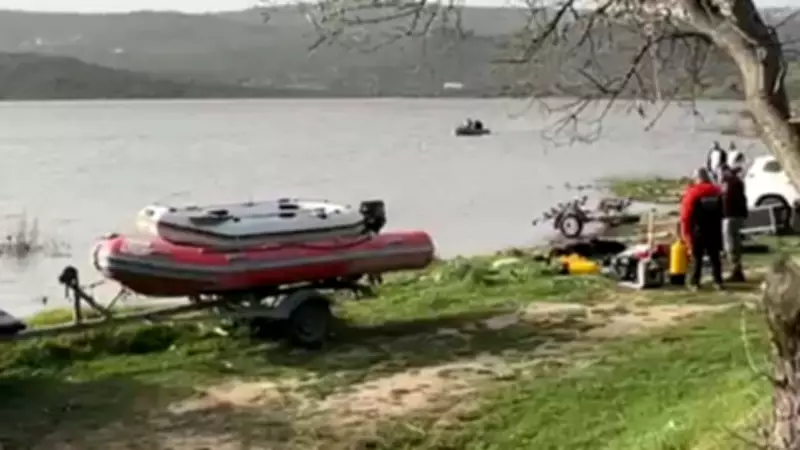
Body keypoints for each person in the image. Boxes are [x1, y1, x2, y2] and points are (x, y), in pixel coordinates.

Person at [679, 167, 724, 290]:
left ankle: (695, 282)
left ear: (697, 178)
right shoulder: (717, 191)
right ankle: (718, 281)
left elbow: (685, 216)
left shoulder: (693, 193)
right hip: (714, 229)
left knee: (697, 258)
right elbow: (722, 212)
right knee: (715, 257)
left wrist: (685, 234)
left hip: (698, 230)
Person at [720, 164, 748, 282]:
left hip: (730, 217)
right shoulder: (738, 182)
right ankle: (737, 269)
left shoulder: (729, 183)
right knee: (736, 243)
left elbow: (725, 199)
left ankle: (736, 270)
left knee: (730, 244)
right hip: (737, 216)